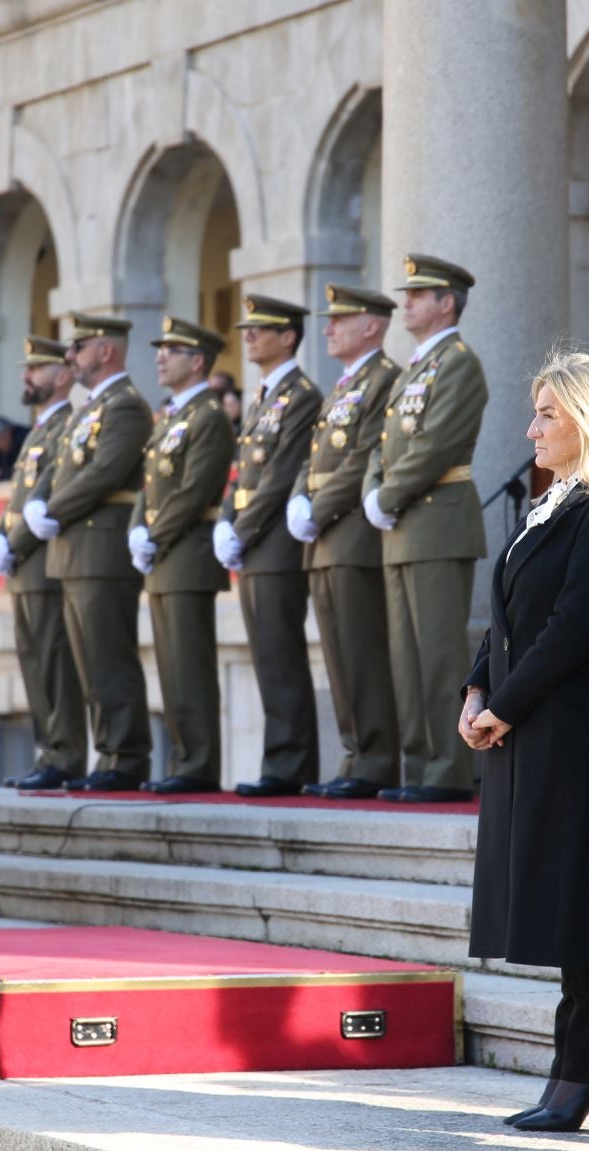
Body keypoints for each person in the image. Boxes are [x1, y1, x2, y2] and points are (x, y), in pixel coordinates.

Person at [462, 351, 589, 1132]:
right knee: (555, 898)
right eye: (536, 410)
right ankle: (566, 1069)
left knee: (586, 906)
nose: (532, 426)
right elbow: (509, 616)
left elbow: (575, 627)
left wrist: (503, 705)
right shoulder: (549, 502)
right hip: (525, 723)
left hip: (572, 730)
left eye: (548, 412)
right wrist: (476, 688)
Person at [364, 254, 488, 802]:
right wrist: (374, 489)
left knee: (438, 655)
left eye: (418, 294)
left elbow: (436, 443)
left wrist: (387, 494)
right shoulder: (413, 366)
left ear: (446, 303)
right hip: (401, 524)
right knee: (405, 656)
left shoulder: (458, 363)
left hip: (436, 521)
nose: (406, 303)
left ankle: (448, 769)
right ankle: (419, 766)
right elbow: (383, 442)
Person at [24, 313, 155, 791]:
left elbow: (104, 472)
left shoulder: (124, 405)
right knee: (89, 664)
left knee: (110, 657)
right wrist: (40, 503)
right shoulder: (88, 409)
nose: (72, 355)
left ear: (108, 351)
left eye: (80, 346)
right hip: (74, 550)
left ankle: (126, 757)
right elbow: (61, 466)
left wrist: (52, 509)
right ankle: (108, 755)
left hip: (102, 547)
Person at [289, 284, 404, 798]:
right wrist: (299, 499)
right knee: (336, 654)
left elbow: (364, 457)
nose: (329, 327)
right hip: (323, 537)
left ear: (373, 326)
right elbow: (315, 458)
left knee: (361, 653)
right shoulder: (341, 387)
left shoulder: (385, 379)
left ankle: (375, 760)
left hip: (352, 533)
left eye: (341, 319)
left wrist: (316, 506)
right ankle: (354, 755)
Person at [218, 295, 323, 797]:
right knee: (266, 656)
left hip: (275, 542)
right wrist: (226, 520)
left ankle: (291, 764)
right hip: (253, 543)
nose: (249, 336)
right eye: (247, 328)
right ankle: (278, 759)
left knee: (282, 656)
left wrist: (238, 530)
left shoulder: (300, 395)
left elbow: (281, 475)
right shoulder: (261, 396)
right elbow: (243, 473)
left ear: (288, 336)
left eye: (261, 329)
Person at [132, 317, 237, 793]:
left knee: (190, 667)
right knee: (171, 668)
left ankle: (197, 765)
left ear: (196, 361)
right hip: (163, 556)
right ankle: (181, 760)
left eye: (170, 350)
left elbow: (195, 490)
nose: (159, 356)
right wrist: (139, 527)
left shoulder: (207, 415)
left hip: (187, 552)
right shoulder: (173, 416)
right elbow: (149, 483)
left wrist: (153, 534)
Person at [0, 338, 88, 789]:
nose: (27, 375)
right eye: (26, 368)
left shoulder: (69, 423)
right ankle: (47, 750)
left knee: (54, 662)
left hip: (44, 559)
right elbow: (18, 497)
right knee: (33, 661)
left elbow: (47, 496)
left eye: (38, 368)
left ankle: (65, 754)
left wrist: (15, 540)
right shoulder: (37, 429)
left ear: (63, 377)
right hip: (22, 564)